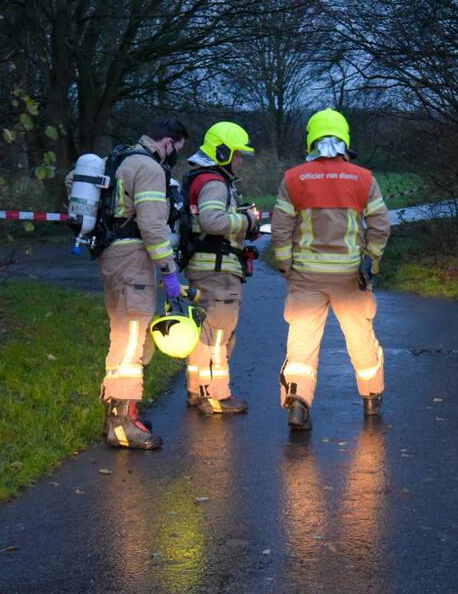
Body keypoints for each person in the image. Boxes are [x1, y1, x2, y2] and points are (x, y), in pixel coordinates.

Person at [271, 108, 391, 431]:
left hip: (306, 276)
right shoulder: (363, 178)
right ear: (344, 139)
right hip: (350, 276)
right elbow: (381, 225)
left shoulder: (294, 178)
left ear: (311, 138)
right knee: (360, 338)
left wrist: (286, 266)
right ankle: (371, 397)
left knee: (302, 342)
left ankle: (298, 402)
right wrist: (372, 260)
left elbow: (280, 229)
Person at [95, 117, 189, 449]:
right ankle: (122, 425)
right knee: (131, 339)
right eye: (178, 148)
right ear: (168, 142)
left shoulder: (119, 159)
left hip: (113, 256)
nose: (176, 155)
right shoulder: (148, 168)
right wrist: (169, 271)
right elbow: (152, 227)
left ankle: (121, 414)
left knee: (122, 335)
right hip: (133, 259)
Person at [181, 122, 260, 414]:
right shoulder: (214, 182)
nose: (239, 160)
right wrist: (247, 222)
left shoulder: (200, 178)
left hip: (204, 267)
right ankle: (216, 396)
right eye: (237, 154)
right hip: (218, 270)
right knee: (220, 333)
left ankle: (196, 390)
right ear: (223, 151)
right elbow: (213, 221)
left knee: (205, 331)